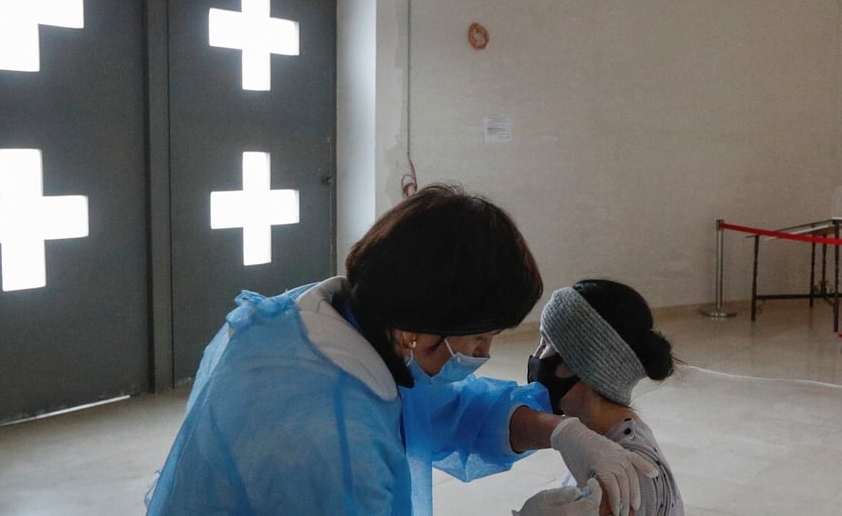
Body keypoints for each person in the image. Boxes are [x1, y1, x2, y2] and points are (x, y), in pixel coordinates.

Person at [145, 185, 655, 515]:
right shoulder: (330, 441)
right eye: (479, 337)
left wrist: (559, 430)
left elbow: (443, 407)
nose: (483, 353)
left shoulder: (336, 321)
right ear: (421, 325)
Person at [528, 280, 684, 516]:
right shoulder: (604, 442)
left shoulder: (615, 482)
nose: (536, 356)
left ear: (585, 366)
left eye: (545, 342)